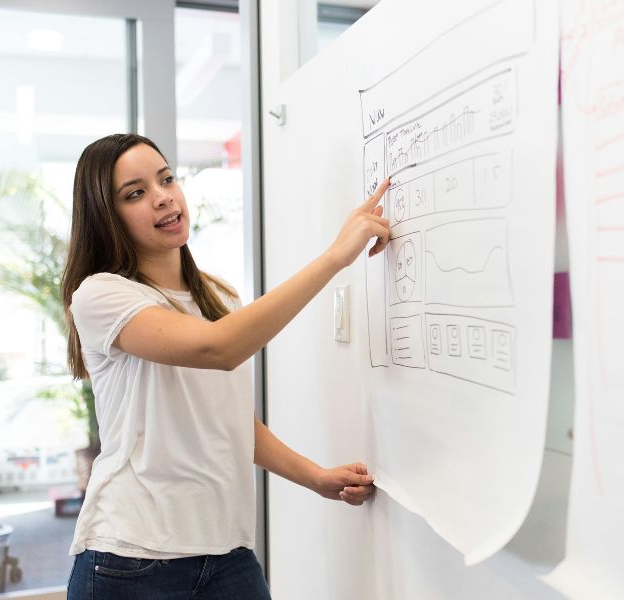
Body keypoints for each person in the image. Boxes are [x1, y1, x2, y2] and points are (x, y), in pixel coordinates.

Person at [62, 133, 390, 599]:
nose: (162, 198)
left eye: (166, 179)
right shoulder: (101, 295)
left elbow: (229, 422)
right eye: (135, 194)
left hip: (227, 555)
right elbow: (220, 349)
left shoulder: (217, 299)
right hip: (131, 560)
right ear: (107, 216)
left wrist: (315, 477)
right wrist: (337, 257)